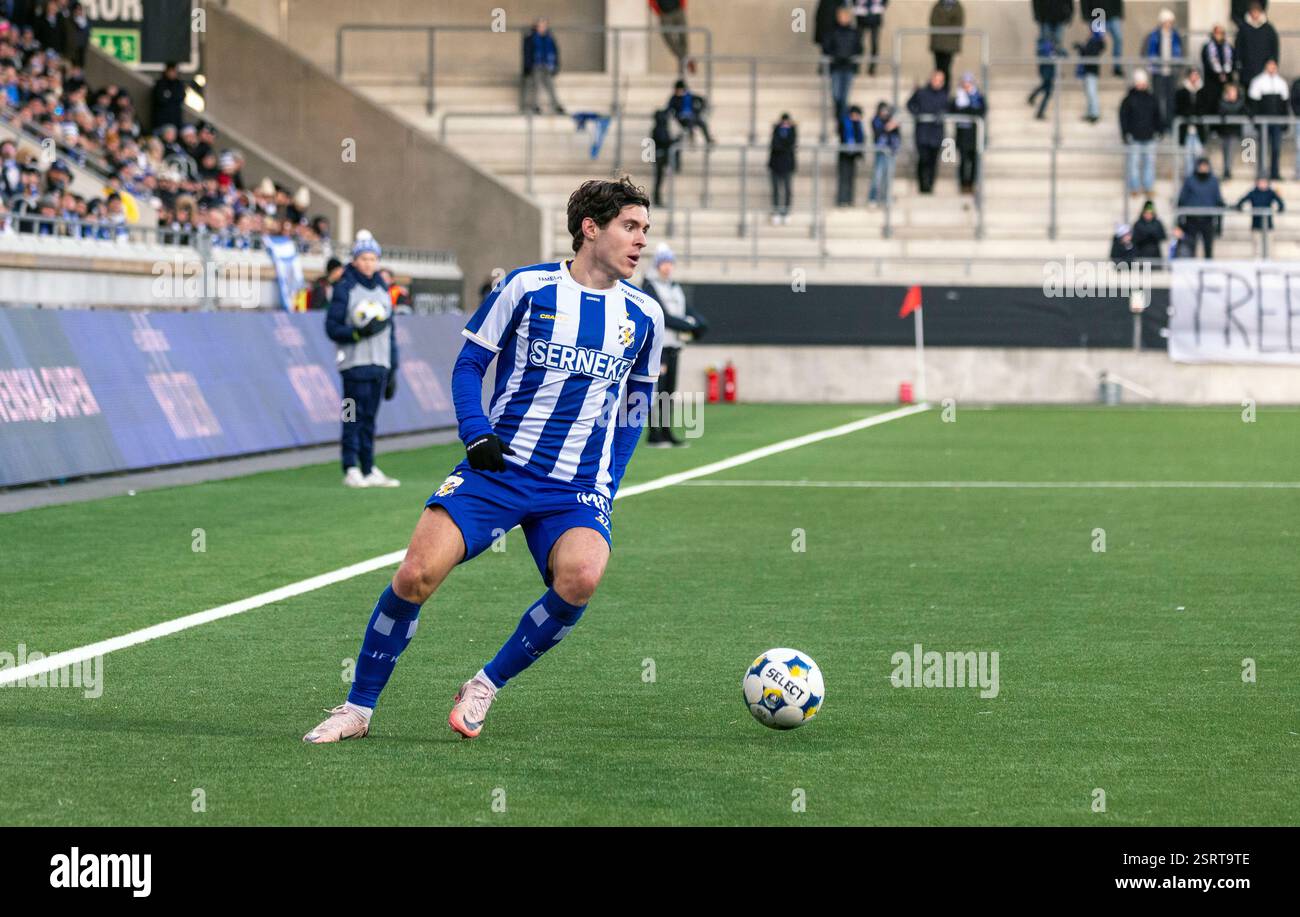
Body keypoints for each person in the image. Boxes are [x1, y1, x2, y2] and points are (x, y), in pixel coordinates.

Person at [303, 178, 664, 743]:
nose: (642, 240)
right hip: (496, 469)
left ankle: (485, 685)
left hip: (574, 486)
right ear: (590, 229)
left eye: (645, 229)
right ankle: (357, 709)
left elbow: (636, 406)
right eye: (631, 226)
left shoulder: (644, 315)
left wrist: (608, 484)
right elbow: (469, 365)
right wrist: (476, 432)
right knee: (416, 575)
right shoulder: (527, 287)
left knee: (583, 577)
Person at [324, 231, 401, 490]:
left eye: (372, 258)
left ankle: (368, 467)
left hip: (378, 365)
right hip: (352, 365)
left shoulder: (382, 289)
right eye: (363, 258)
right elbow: (332, 327)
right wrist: (358, 333)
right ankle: (350, 467)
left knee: (369, 418)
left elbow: (391, 332)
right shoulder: (344, 287)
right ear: (355, 260)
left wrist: (393, 367)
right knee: (351, 416)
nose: (368, 263)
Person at [642, 243, 704, 447]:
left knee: (669, 391)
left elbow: (686, 309)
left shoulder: (674, 287)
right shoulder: (650, 285)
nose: (667, 267)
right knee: (657, 390)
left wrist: (700, 324)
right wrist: (688, 325)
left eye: (670, 263)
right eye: (663, 263)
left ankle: (667, 432)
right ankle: (654, 434)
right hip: (659, 347)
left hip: (674, 346)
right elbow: (664, 316)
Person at [1120, 68, 1164, 197]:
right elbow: (1123, 118)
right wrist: (1125, 133)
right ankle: (1134, 187)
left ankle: (1148, 186)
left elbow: (1157, 116)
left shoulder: (1152, 98)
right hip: (1135, 137)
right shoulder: (1128, 100)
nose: (1141, 84)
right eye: (1139, 82)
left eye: (1143, 82)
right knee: (1133, 163)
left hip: (1149, 136)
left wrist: (1159, 130)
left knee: (1149, 163)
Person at [1246, 59, 1287, 180]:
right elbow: (1254, 103)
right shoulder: (1258, 81)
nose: (1272, 68)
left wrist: (1284, 122)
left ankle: (1275, 172)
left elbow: (1284, 104)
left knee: (1276, 147)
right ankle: (1261, 173)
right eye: (1270, 65)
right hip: (1263, 120)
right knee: (1263, 147)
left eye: (1274, 65)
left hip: (1276, 121)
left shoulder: (1281, 82)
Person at [909, 70, 949, 193]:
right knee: (923, 159)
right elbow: (910, 104)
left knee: (933, 161)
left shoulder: (944, 95)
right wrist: (917, 114)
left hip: (936, 134)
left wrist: (943, 114)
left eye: (940, 80)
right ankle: (923, 186)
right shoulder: (921, 92)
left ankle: (930, 185)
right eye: (935, 79)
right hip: (922, 133)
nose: (937, 82)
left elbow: (949, 108)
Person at [1175, 156, 1223, 257]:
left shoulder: (1213, 181)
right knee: (1191, 246)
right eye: (1201, 166)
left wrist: (1219, 225)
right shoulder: (1190, 180)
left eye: (1205, 166)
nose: (1203, 168)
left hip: (1208, 219)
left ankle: (1209, 269)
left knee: (1208, 248)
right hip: (1192, 219)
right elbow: (1182, 200)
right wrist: (1179, 223)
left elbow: (1218, 201)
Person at [1143, 9, 1182, 127]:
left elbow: (1179, 51)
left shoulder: (1175, 35)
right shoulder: (1154, 35)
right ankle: (1158, 124)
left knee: (1171, 100)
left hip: (1171, 72)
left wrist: (1177, 65)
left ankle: (1169, 124)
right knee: (1158, 99)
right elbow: (1149, 52)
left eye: (1170, 22)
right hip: (1158, 72)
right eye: (1166, 22)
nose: (1168, 24)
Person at [822, 5, 862, 118]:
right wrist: (836, 56)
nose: (843, 18)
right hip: (836, 66)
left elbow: (859, 48)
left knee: (844, 96)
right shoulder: (832, 31)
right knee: (836, 94)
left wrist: (850, 57)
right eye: (841, 16)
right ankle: (839, 114)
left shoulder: (854, 32)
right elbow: (826, 47)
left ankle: (841, 119)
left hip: (848, 67)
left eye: (845, 16)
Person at [521, 18, 565, 115]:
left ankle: (556, 105)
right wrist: (527, 67)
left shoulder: (549, 38)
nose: (542, 28)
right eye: (540, 26)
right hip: (535, 65)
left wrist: (556, 65)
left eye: (544, 26)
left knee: (550, 85)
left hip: (547, 65)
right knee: (536, 85)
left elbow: (555, 52)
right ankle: (535, 106)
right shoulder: (531, 38)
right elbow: (527, 53)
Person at [951, 72, 984, 193]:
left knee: (974, 161)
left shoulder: (978, 97)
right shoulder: (957, 98)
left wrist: (967, 107)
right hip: (963, 134)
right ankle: (963, 184)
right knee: (963, 160)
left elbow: (980, 111)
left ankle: (972, 183)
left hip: (975, 135)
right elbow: (954, 111)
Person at [1235, 177, 1284, 254]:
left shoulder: (1270, 192)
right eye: (1261, 182)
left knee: (1269, 247)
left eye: (1264, 182)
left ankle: (1269, 263)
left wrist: (1279, 209)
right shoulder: (1253, 192)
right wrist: (1239, 207)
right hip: (1256, 224)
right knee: (1256, 247)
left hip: (1268, 225)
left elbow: (1281, 203)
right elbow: (1241, 201)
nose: (1262, 184)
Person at [1235, 3, 1277, 91]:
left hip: (1264, 68)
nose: (1255, 15)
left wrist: (1273, 62)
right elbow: (1238, 48)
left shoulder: (1268, 29)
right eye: (1253, 12)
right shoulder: (1243, 28)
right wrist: (1238, 64)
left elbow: (1274, 48)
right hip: (1247, 69)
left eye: (1257, 12)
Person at [1173, 68, 1206, 175]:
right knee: (1187, 159)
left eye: (1196, 75)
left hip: (1198, 131)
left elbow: (1204, 108)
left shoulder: (1203, 92)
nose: (1194, 78)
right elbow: (1178, 109)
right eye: (1192, 75)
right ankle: (1189, 182)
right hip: (1186, 130)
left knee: (1199, 157)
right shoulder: (1181, 92)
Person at [868, 100, 901, 206]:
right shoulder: (876, 120)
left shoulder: (891, 120)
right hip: (881, 152)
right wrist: (888, 126)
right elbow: (879, 131)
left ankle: (885, 198)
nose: (885, 113)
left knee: (888, 177)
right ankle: (872, 198)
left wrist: (894, 125)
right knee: (877, 176)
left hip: (891, 152)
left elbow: (896, 136)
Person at [767, 112, 797, 223]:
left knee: (787, 189)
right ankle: (776, 210)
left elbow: (791, 144)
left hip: (787, 165)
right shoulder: (776, 130)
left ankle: (786, 211)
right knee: (776, 189)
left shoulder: (792, 131)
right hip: (776, 165)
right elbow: (775, 145)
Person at [1027, 32, 1065, 120]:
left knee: (1044, 88)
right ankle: (1039, 112)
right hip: (1046, 73)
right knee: (1047, 92)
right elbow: (1047, 59)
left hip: (1048, 73)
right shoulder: (1045, 48)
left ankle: (1033, 98)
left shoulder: (1053, 49)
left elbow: (1062, 56)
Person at [1200, 23, 1235, 114]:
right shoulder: (1207, 48)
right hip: (1212, 81)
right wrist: (1217, 75)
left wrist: (1226, 75)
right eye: (1217, 33)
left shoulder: (1229, 47)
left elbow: (1233, 63)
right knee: (1212, 103)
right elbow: (1207, 63)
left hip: (1227, 80)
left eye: (1221, 33)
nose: (1219, 35)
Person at [1076, 20, 1106, 124]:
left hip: (1091, 70)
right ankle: (1090, 112)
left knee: (1092, 92)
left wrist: (1082, 49)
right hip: (1087, 70)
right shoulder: (1091, 40)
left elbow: (1090, 54)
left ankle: (1095, 113)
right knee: (1088, 93)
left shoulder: (1096, 41)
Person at [650, 0, 692, 75]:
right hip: (665, 14)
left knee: (683, 39)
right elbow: (651, 2)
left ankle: (683, 68)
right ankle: (686, 59)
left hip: (678, 11)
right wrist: (659, 13)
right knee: (670, 40)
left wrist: (682, 7)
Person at [929, 0, 963, 91]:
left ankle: (945, 91)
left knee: (946, 69)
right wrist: (948, 22)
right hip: (938, 45)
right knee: (938, 69)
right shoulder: (938, 5)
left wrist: (944, 24)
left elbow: (958, 24)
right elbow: (934, 22)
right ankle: (936, 90)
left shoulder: (957, 7)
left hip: (950, 46)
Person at [1215, 80, 1247, 178]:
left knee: (1231, 150)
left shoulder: (1240, 103)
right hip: (1224, 132)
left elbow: (1245, 110)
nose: (1232, 94)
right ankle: (1226, 170)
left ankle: (1228, 171)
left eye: (1234, 91)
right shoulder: (1222, 103)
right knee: (1225, 150)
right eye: (1230, 91)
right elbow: (1220, 112)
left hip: (1234, 131)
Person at [1086, 1, 1126, 78]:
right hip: (1097, 14)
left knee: (1118, 38)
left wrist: (1120, 13)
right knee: (1096, 43)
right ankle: (1093, 68)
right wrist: (1087, 15)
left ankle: (1117, 67)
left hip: (1112, 14)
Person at [650, 108, 681, 207]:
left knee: (659, 180)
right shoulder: (659, 129)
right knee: (659, 180)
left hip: (661, 156)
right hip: (660, 156)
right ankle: (657, 199)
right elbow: (664, 142)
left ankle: (657, 199)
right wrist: (675, 140)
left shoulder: (661, 128)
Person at [667, 79, 714, 144]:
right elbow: (669, 108)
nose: (678, 91)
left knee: (702, 123)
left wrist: (700, 110)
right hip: (682, 118)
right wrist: (674, 115)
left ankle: (708, 140)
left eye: (679, 90)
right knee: (689, 122)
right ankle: (691, 138)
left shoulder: (689, 96)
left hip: (693, 116)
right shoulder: (674, 99)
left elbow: (702, 100)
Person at [836, 104, 866, 205]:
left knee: (850, 178)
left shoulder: (858, 124)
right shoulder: (844, 122)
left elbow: (861, 138)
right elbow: (841, 134)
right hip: (844, 155)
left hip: (853, 156)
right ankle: (842, 200)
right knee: (843, 178)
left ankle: (849, 200)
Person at [853, 0, 888, 76]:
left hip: (875, 18)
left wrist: (880, 7)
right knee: (858, 44)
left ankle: (872, 68)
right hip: (861, 18)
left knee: (874, 44)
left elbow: (884, 2)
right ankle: (856, 67)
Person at [151, 62, 186, 131]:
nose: (173, 73)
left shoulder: (179, 84)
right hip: (161, 123)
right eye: (171, 71)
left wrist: (170, 96)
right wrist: (172, 97)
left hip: (175, 122)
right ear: (166, 71)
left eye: (175, 71)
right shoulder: (160, 84)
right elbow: (161, 99)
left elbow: (181, 98)